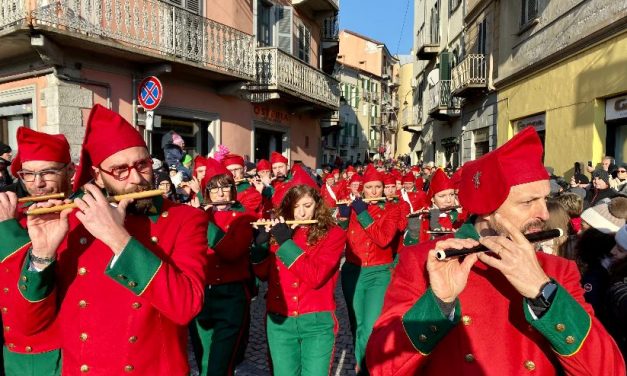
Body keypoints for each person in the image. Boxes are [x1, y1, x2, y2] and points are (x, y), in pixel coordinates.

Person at [366, 127, 625, 375]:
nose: (545, 214)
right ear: (488, 210)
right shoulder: (423, 261)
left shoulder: (558, 270)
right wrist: (438, 305)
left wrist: (544, 293)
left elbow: (610, 370)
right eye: (528, 202)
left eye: (544, 199)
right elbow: (381, 367)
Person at [15, 104, 209, 374]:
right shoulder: (71, 221)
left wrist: (119, 239)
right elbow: (31, 326)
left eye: (142, 164)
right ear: (98, 176)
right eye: (119, 170)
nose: (136, 178)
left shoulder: (184, 219)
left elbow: (186, 306)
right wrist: (41, 256)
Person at [251, 166, 345, 375]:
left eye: (307, 205)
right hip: (280, 321)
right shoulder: (281, 230)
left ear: (318, 205)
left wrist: (285, 243)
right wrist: (259, 247)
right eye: (295, 206)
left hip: (317, 321)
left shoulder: (334, 234)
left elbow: (315, 276)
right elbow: (263, 274)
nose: (301, 213)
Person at [0, 127, 74, 375]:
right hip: (11, 356)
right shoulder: (14, 215)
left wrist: (8, 231)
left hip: (59, 356)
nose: (38, 183)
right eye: (29, 174)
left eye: (48, 172)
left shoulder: (84, 218)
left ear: (71, 171)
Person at [190, 158, 256, 376]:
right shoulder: (196, 215)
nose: (219, 193)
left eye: (225, 187)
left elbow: (232, 251)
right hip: (202, 295)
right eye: (213, 188)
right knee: (204, 363)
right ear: (205, 191)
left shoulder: (244, 216)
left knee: (220, 365)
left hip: (231, 295)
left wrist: (203, 222)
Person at [339, 165, 400, 373]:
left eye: (378, 187)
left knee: (371, 325)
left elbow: (383, 239)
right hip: (352, 272)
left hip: (379, 272)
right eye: (369, 187)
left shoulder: (392, 209)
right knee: (356, 324)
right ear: (362, 189)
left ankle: (365, 369)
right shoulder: (354, 208)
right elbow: (336, 241)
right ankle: (361, 364)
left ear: (383, 189)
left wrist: (363, 213)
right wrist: (342, 218)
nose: (373, 192)